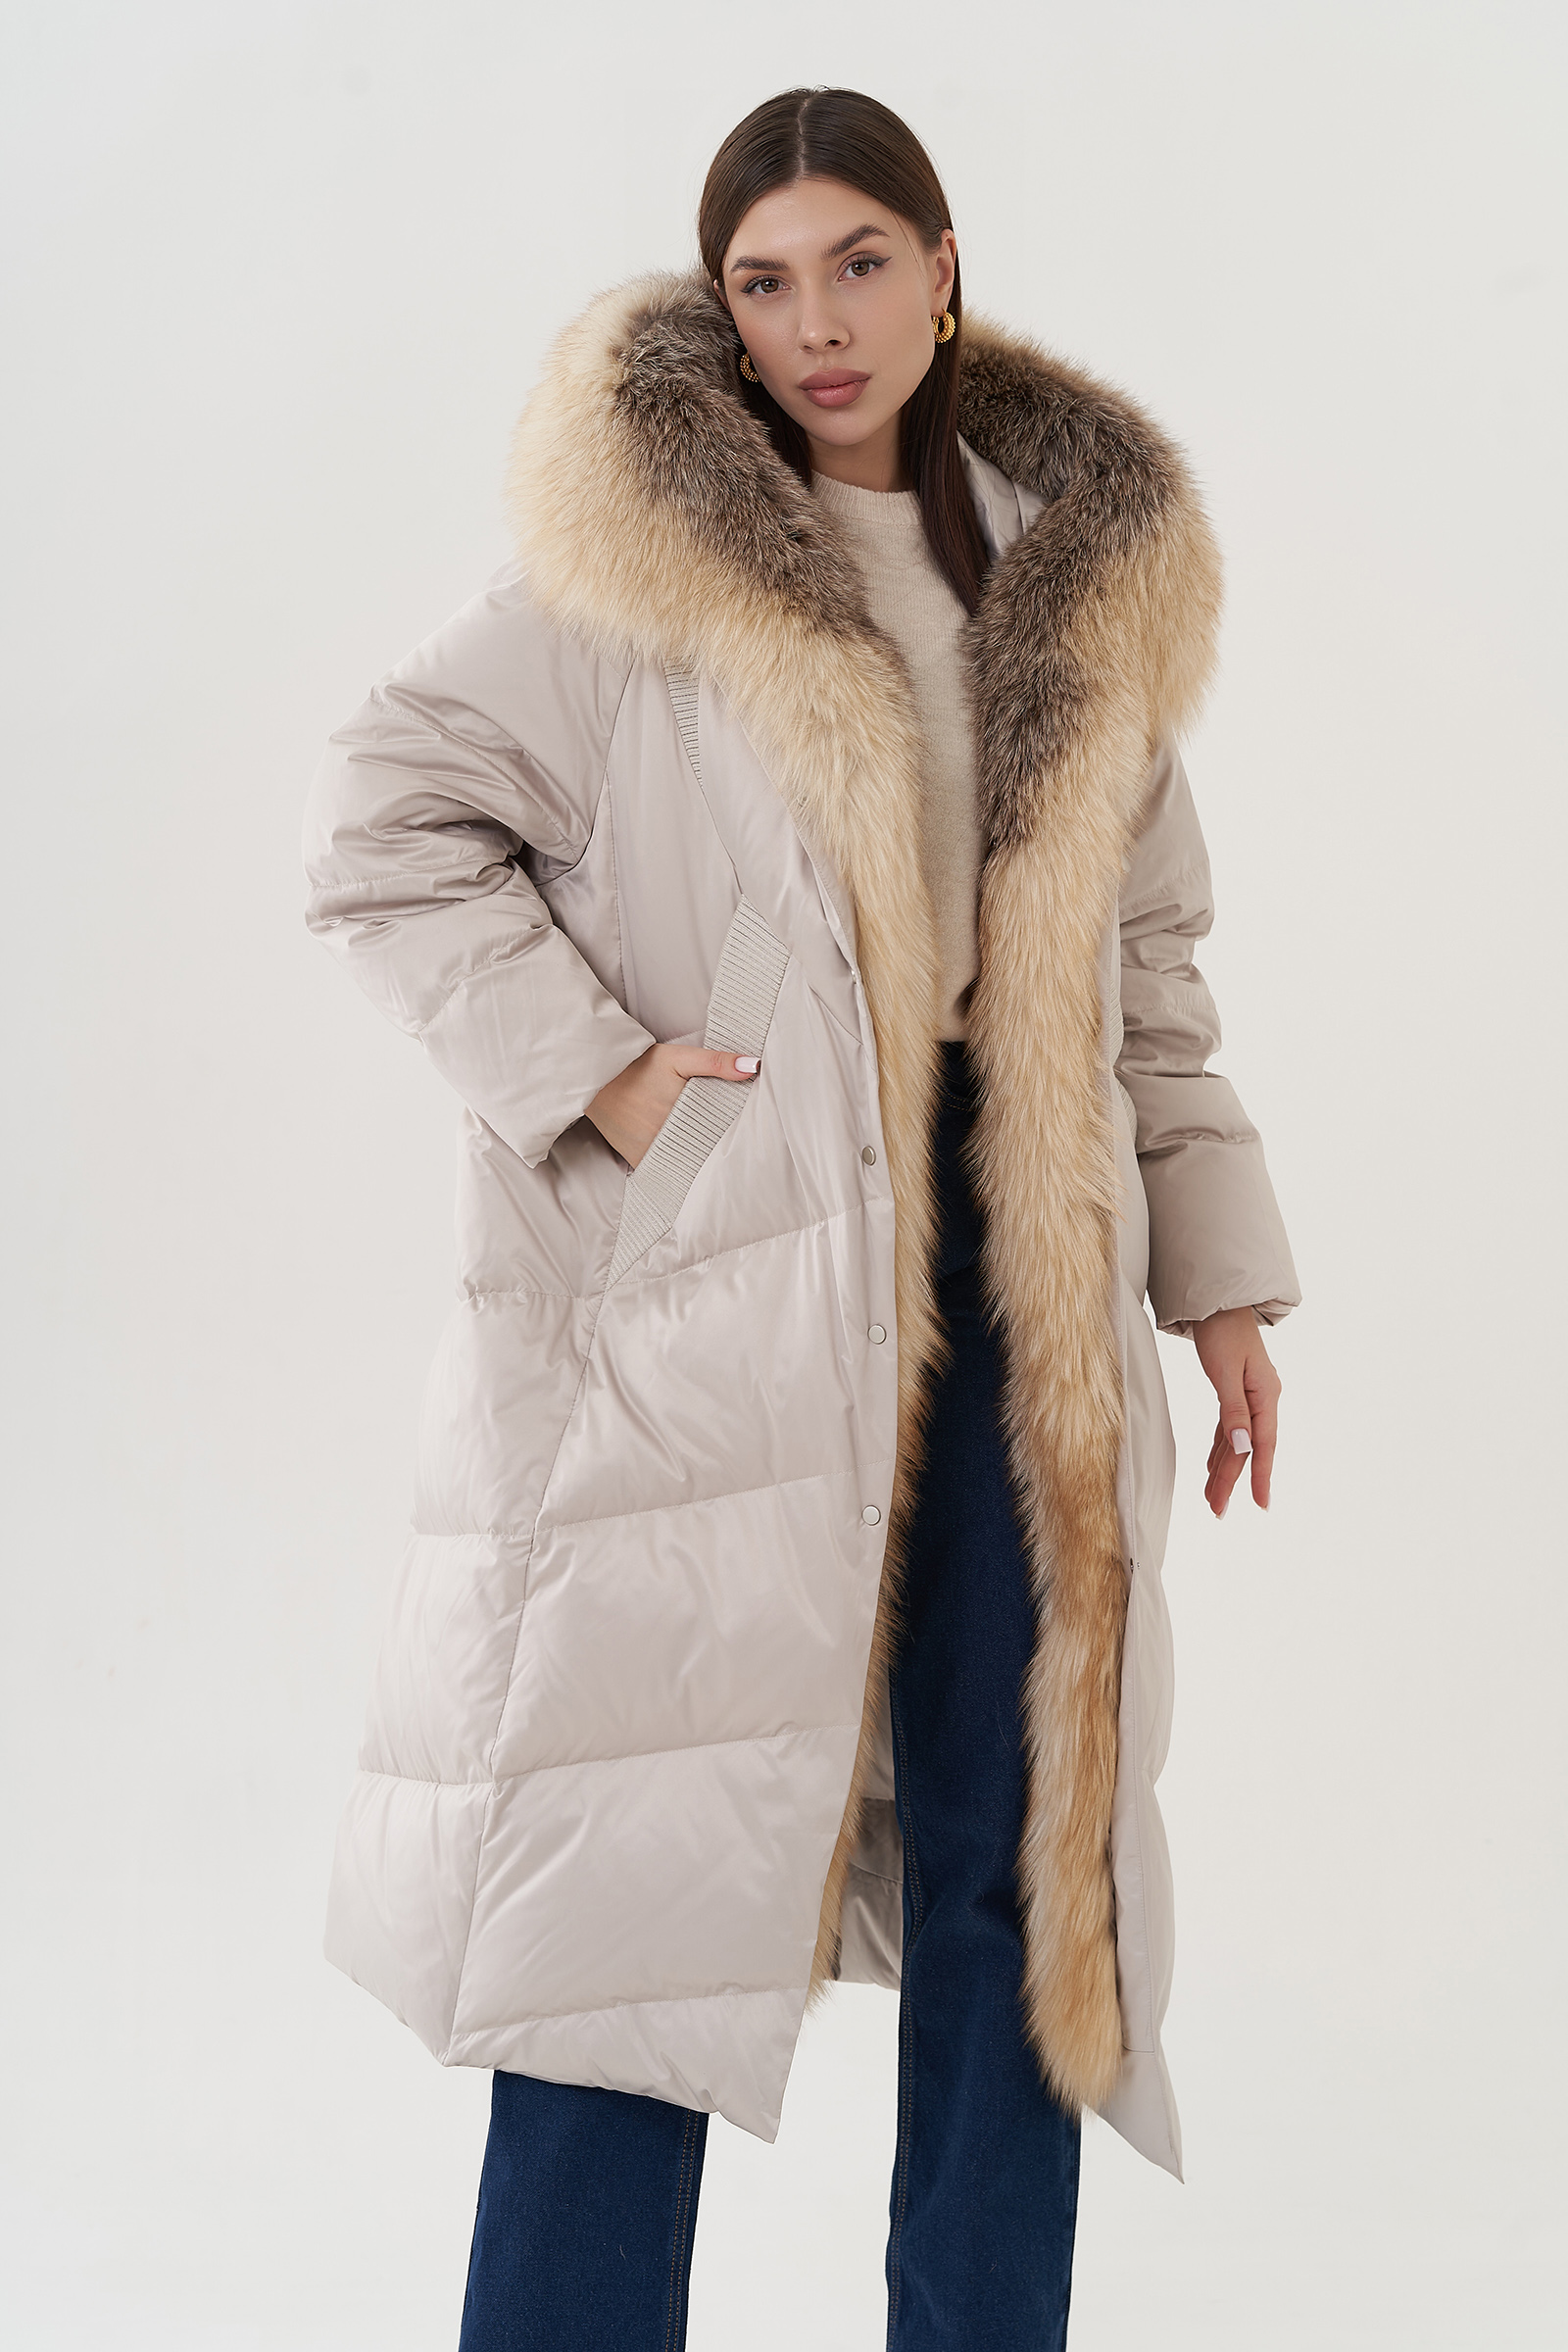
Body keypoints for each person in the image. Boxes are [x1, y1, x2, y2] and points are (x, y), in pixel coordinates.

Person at [303, 83, 1300, 2352]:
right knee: (630, 1885)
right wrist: (597, 1074)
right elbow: (383, 824)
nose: (815, 323)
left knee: (1013, 1877)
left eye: (857, 263)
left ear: (942, 271)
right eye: (762, 282)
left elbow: (1144, 971)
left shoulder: (1072, 574)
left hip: (1017, 1277)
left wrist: (1222, 1282)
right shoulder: (637, 573)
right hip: (723, 1290)